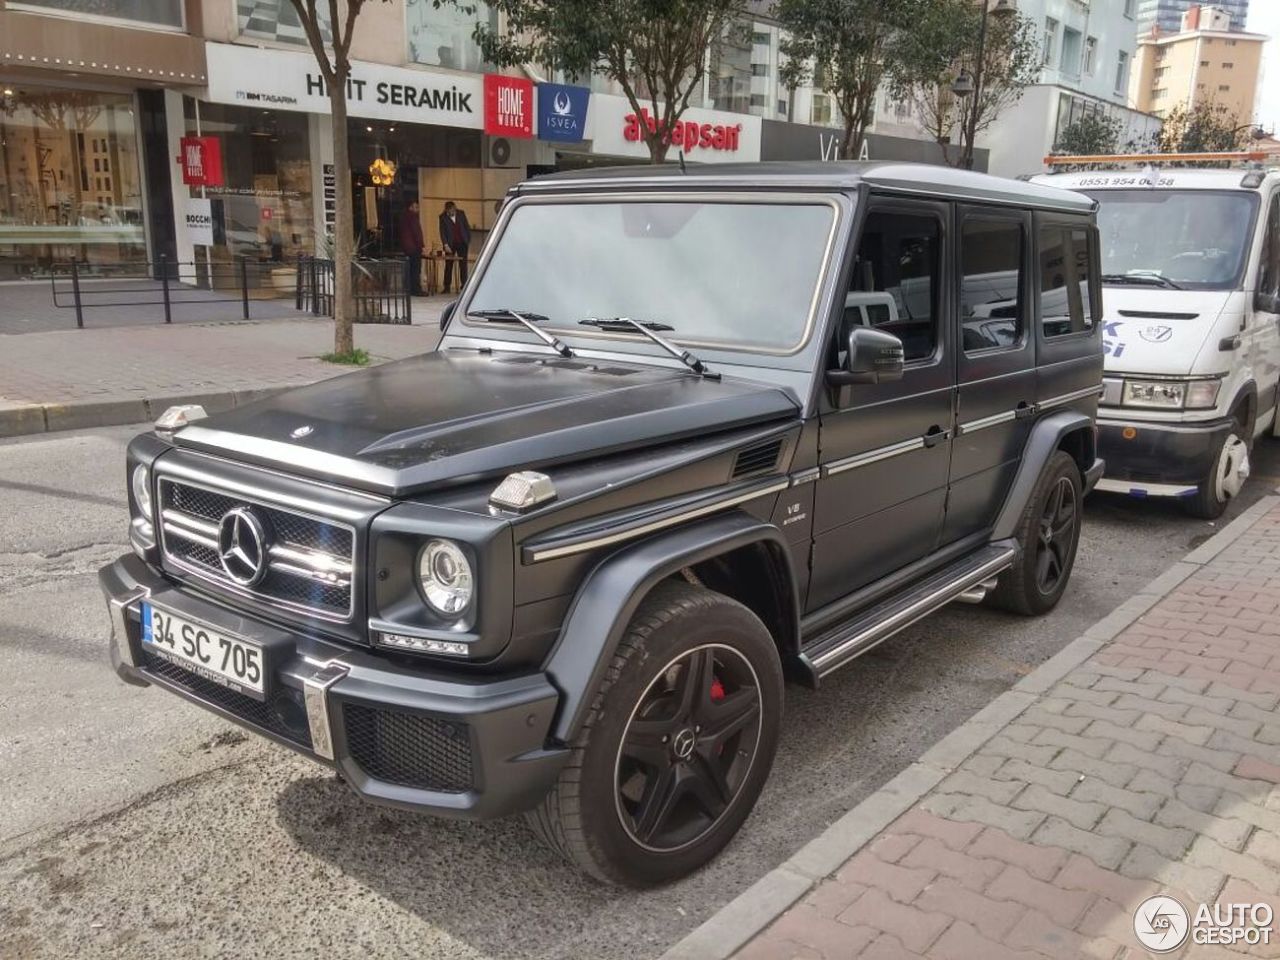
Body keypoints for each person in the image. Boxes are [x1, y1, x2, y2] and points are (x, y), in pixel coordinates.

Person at [439, 200, 472, 293]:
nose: (451, 212)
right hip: (450, 244)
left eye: (452, 210)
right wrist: (445, 244)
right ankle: (447, 286)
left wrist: (468, 239)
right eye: (449, 211)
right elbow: (442, 232)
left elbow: (466, 227)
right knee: (449, 265)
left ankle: (464, 285)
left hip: (462, 242)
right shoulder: (442, 217)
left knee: (463, 265)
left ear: (455, 208)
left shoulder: (461, 214)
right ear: (446, 210)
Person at [398, 199, 425, 296]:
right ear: (411, 207)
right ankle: (416, 290)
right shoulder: (413, 217)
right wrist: (421, 245)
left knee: (409, 269)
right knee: (416, 269)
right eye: (416, 207)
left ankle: (408, 289)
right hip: (414, 247)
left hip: (406, 247)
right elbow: (416, 232)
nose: (417, 209)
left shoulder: (403, 217)